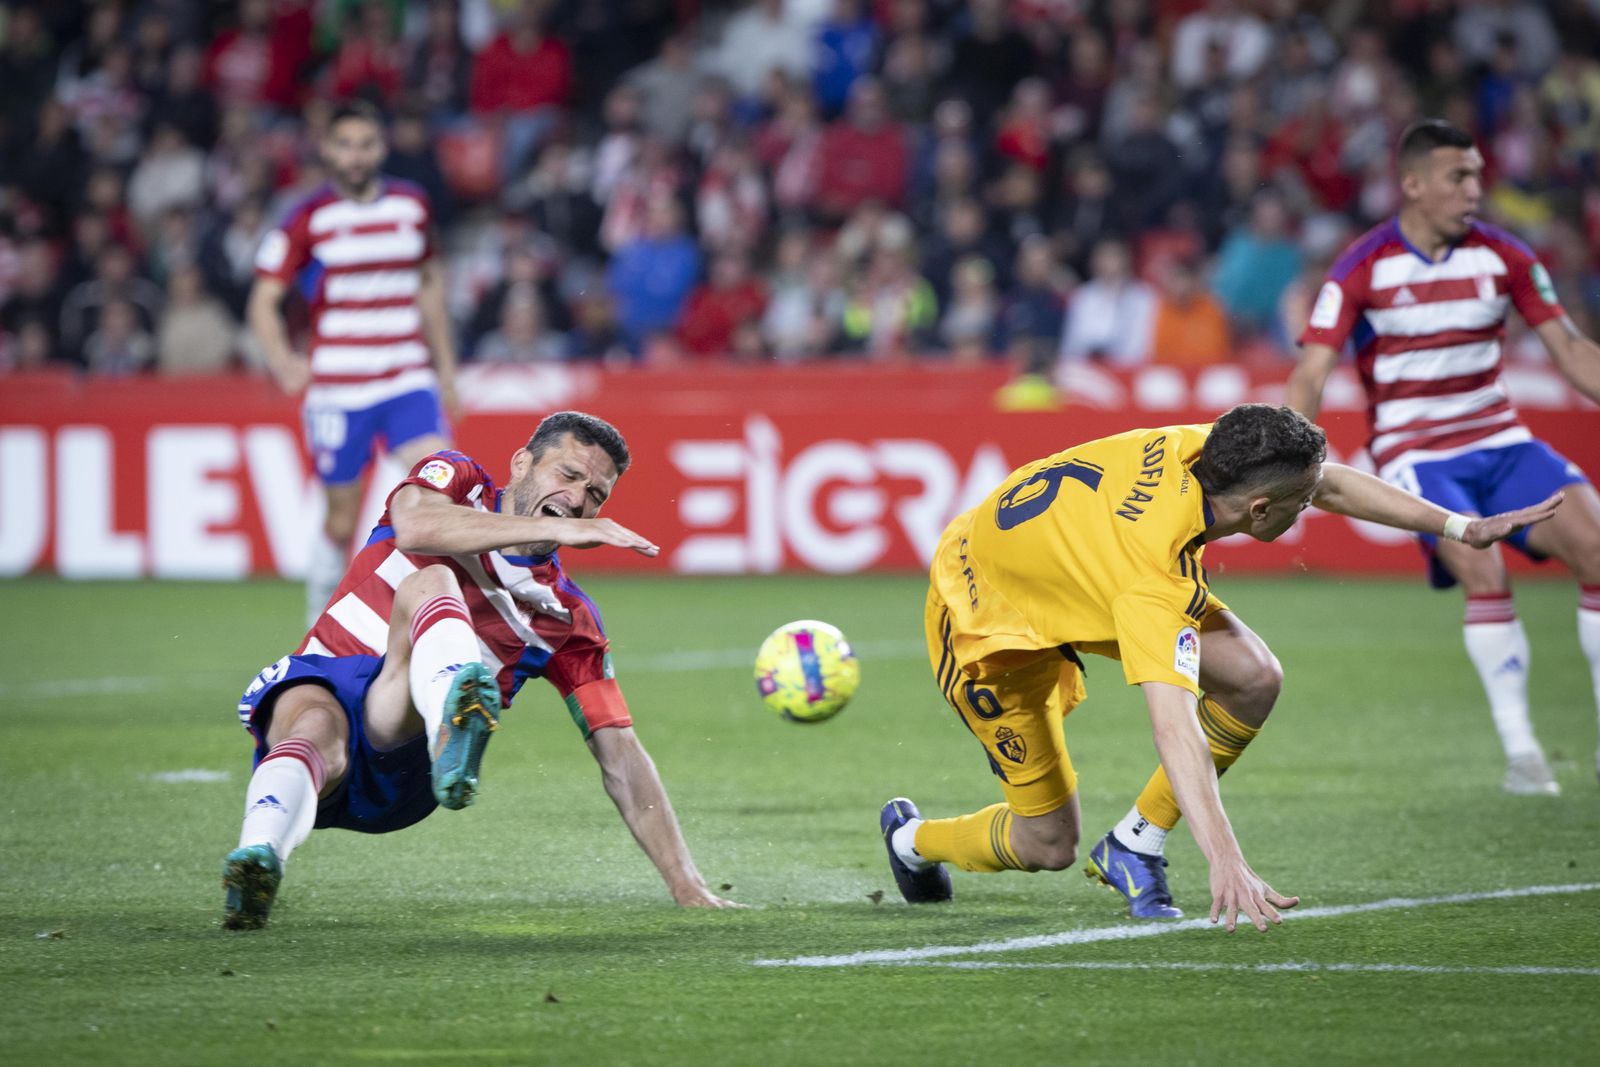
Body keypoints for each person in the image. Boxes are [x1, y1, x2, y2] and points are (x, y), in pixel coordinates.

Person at [881, 404, 1561, 929]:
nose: (1308, 508)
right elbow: (1172, 730)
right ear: (1260, 509)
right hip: (987, 620)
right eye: (1299, 503)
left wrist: (1459, 528)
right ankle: (914, 840)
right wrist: (1225, 857)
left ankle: (1135, 844)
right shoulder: (1155, 579)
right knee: (1049, 842)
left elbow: (1328, 483)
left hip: (1065, 565)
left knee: (1254, 677)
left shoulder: (1207, 450)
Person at [222, 411, 740, 930]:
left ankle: (453, 723)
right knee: (316, 720)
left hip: (403, 760)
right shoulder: (454, 477)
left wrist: (686, 884)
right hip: (327, 691)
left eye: (597, 495)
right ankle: (258, 862)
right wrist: (554, 525)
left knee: (430, 588)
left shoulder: (566, 618)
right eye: (568, 476)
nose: (580, 502)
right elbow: (416, 526)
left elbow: (621, 755)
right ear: (521, 463)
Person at [1287, 119, 1600, 795]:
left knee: (1598, 548)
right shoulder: (1361, 267)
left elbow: (1572, 351)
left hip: (1501, 438)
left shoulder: (1507, 257)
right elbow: (1311, 372)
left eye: (1478, 175)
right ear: (1413, 184)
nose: (1474, 190)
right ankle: (1524, 755)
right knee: (1482, 567)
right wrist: (1284, 463)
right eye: (1459, 177)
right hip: (1417, 452)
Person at [248, 100, 462, 628]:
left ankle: (448, 623)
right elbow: (262, 300)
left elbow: (430, 283)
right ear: (327, 149)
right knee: (341, 521)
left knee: (442, 494)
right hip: (340, 388)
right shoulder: (308, 216)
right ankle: (318, 625)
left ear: (381, 147)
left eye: (365, 144)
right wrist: (282, 360)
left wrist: (446, 370)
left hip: (407, 379)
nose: (356, 155)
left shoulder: (412, 206)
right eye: (345, 144)